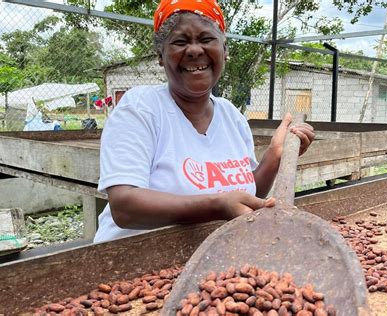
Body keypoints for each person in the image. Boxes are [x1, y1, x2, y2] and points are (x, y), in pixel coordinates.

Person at [93, 0, 315, 243]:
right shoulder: (140, 108)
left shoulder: (231, 116)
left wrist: (274, 157)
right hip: (130, 263)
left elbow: (246, 197)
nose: (194, 50)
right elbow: (125, 208)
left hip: (210, 262)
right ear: (160, 56)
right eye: (180, 42)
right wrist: (216, 206)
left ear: (225, 51)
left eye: (206, 39)